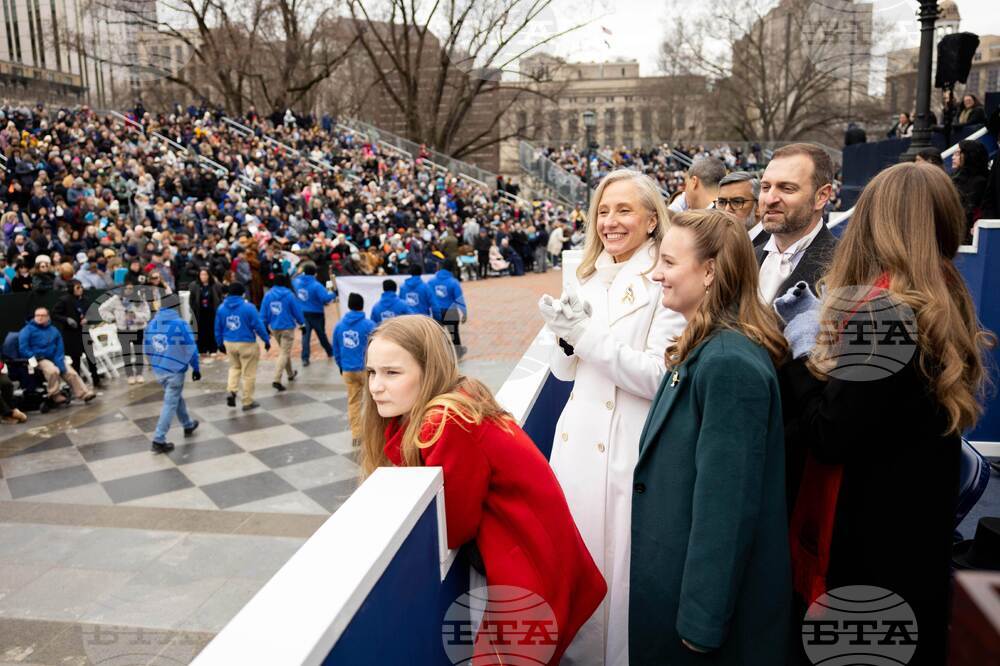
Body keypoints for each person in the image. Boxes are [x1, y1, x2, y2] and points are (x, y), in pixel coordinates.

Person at [776, 162, 993, 666]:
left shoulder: (881, 311)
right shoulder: (945, 293)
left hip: (869, 553)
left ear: (874, 221)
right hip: (914, 542)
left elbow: (830, 433)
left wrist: (804, 346)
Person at [360, 315, 607, 664]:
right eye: (372, 372)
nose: (375, 386)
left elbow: (454, 527)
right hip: (541, 556)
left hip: (531, 567)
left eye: (392, 373)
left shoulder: (445, 420)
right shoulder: (459, 398)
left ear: (429, 371)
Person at [629, 209, 790, 664]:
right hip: (675, 588)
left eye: (669, 262)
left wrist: (701, 623)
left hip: (702, 621)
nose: (657, 274)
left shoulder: (727, 364)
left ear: (710, 270)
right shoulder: (709, 347)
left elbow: (727, 508)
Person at [537, 169, 685, 665]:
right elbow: (564, 372)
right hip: (578, 449)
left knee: (619, 579)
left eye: (623, 210)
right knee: (578, 569)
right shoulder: (590, 275)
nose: (610, 221)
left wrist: (583, 336)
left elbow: (657, 378)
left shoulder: (664, 278)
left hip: (628, 451)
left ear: (650, 219)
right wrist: (564, 334)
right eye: (603, 210)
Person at [756, 143, 838, 304]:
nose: (770, 199)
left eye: (787, 188)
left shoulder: (845, 266)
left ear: (821, 196)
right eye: (765, 187)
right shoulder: (746, 258)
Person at [144, 297, 201, 453]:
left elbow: (147, 348)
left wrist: (155, 364)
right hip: (175, 370)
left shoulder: (152, 324)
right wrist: (196, 368)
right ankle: (158, 439)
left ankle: (187, 424)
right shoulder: (180, 324)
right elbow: (191, 348)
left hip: (160, 370)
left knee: (175, 397)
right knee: (170, 403)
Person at [18, 307, 95, 404]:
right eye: (37, 315)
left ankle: (84, 394)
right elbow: (23, 348)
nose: (40, 317)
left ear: (48, 317)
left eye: (43, 315)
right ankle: (55, 394)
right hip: (38, 359)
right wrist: (35, 356)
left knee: (71, 373)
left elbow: (60, 347)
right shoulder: (27, 330)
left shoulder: (54, 330)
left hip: (55, 357)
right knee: (53, 371)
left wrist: (59, 360)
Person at [215, 282, 270, 411]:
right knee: (248, 373)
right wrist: (266, 340)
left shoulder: (221, 308)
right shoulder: (249, 307)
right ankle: (247, 401)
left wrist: (219, 343)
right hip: (247, 343)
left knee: (234, 368)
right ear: (242, 293)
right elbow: (258, 326)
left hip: (229, 342)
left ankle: (232, 390)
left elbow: (217, 328)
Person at [333, 293, 376, 444]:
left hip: (348, 370)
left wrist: (340, 365)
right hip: (366, 369)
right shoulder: (369, 325)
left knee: (354, 402)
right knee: (375, 401)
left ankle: (357, 434)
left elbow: (336, 350)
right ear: (362, 306)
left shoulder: (339, 326)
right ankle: (376, 432)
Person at [98, 283, 152, 384]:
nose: (129, 291)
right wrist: (113, 318)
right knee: (126, 353)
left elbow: (147, 315)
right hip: (123, 330)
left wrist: (135, 315)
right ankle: (130, 375)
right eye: (127, 288)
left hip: (137, 329)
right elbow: (102, 309)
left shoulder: (140, 299)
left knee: (138, 352)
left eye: (131, 288)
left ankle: (139, 374)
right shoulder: (116, 299)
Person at [52, 280, 100, 388]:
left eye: (81, 287)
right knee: (76, 360)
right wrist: (67, 319)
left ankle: (96, 380)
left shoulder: (85, 300)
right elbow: (54, 314)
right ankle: (77, 384)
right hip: (72, 334)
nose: (81, 289)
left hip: (84, 332)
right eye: (78, 288)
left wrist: (88, 318)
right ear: (71, 289)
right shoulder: (64, 300)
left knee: (91, 357)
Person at [260, 273, 304, 391]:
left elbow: (263, 314)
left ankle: (290, 374)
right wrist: (302, 323)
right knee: (284, 352)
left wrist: (264, 327)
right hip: (287, 327)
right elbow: (296, 311)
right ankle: (276, 379)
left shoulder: (268, 295)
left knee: (284, 351)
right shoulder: (289, 295)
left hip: (274, 328)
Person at [292, 263, 335, 366]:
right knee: (321, 335)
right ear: (314, 274)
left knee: (305, 337)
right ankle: (330, 352)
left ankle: (305, 358)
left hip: (302, 313)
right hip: (316, 314)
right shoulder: (316, 285)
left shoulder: (296, 282)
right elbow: (326, 298)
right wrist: (333, 291)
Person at [951, 139, 989, 242]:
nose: (953, 157)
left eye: (958, 153)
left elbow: (968, 211)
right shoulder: (954, 177)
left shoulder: (979, 182)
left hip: (965, 234)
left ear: (968, 156)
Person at [716, 171, 766, 246]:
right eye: (722, 202)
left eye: (737, 202)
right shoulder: (716, 241)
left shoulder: (774, 244)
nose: (727, 209)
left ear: (759, 206)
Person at [428, 260, 467, 353]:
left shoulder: (431, 282)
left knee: (438, 334)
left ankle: (438, 353)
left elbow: (428, 297)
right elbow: (459, 299)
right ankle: (458, 351)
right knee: (454, 333)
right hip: (451, 311)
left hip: (436, 311)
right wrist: (464, 313)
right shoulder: (453, 282)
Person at [189, 269, 223, 357]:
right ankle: (201, 349)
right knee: (201, 331)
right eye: (201, 275)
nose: (203, 277)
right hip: (200, 313)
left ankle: (213, 348)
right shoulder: (194, 285)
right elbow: (192, 300)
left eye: (205, 275)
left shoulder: (216, 285)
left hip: (212, 312)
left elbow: (220, 297)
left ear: (209, 275)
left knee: (212, 330)